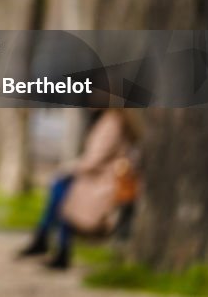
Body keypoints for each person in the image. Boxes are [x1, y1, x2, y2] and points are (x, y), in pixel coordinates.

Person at [17, 107, 139, 269]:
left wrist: (69, 169)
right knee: (64, 196)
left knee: (62, 191)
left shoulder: (111, 122)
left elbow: (95, 158)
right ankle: (51, 243)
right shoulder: (112, 119)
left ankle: (48, 241)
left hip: (102, 182)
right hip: (99, 178)